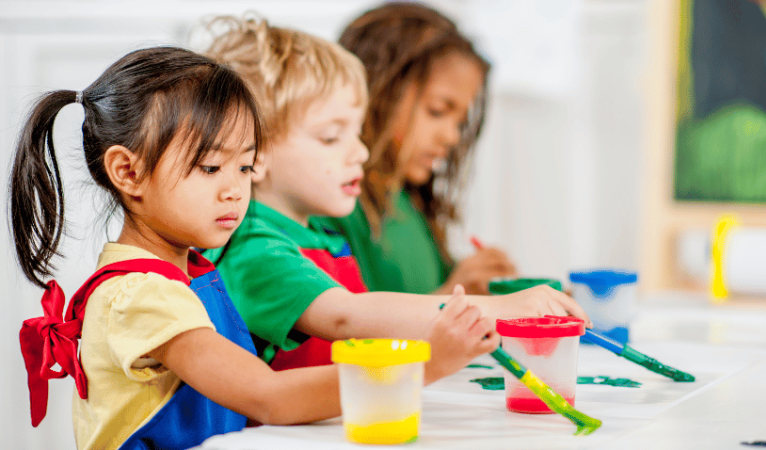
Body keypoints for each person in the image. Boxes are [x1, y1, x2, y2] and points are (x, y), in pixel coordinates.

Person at [11, 46, 500, 450]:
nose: (234, 191)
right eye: (210, 168)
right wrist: (426, 362)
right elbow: (269, 397)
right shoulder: (139, 296)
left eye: (244, 168)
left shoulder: (190, 270)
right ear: (128, 171)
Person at [203, 17, 590, 371]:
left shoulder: (320, 240)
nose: (361, 151)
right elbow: (348, 315)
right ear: (257, 151)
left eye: (356, 132)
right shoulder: (252, 245)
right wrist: (496, 308)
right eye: (332, 137)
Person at [332, 1, 518, 295]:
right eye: (437, 111)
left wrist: (480, 284)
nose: (452, 137)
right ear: (377, 92)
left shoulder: (408, 201)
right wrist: (455, 291)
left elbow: (431, 286)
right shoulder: (336, 204)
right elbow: (345, 332)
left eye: (459, 122)